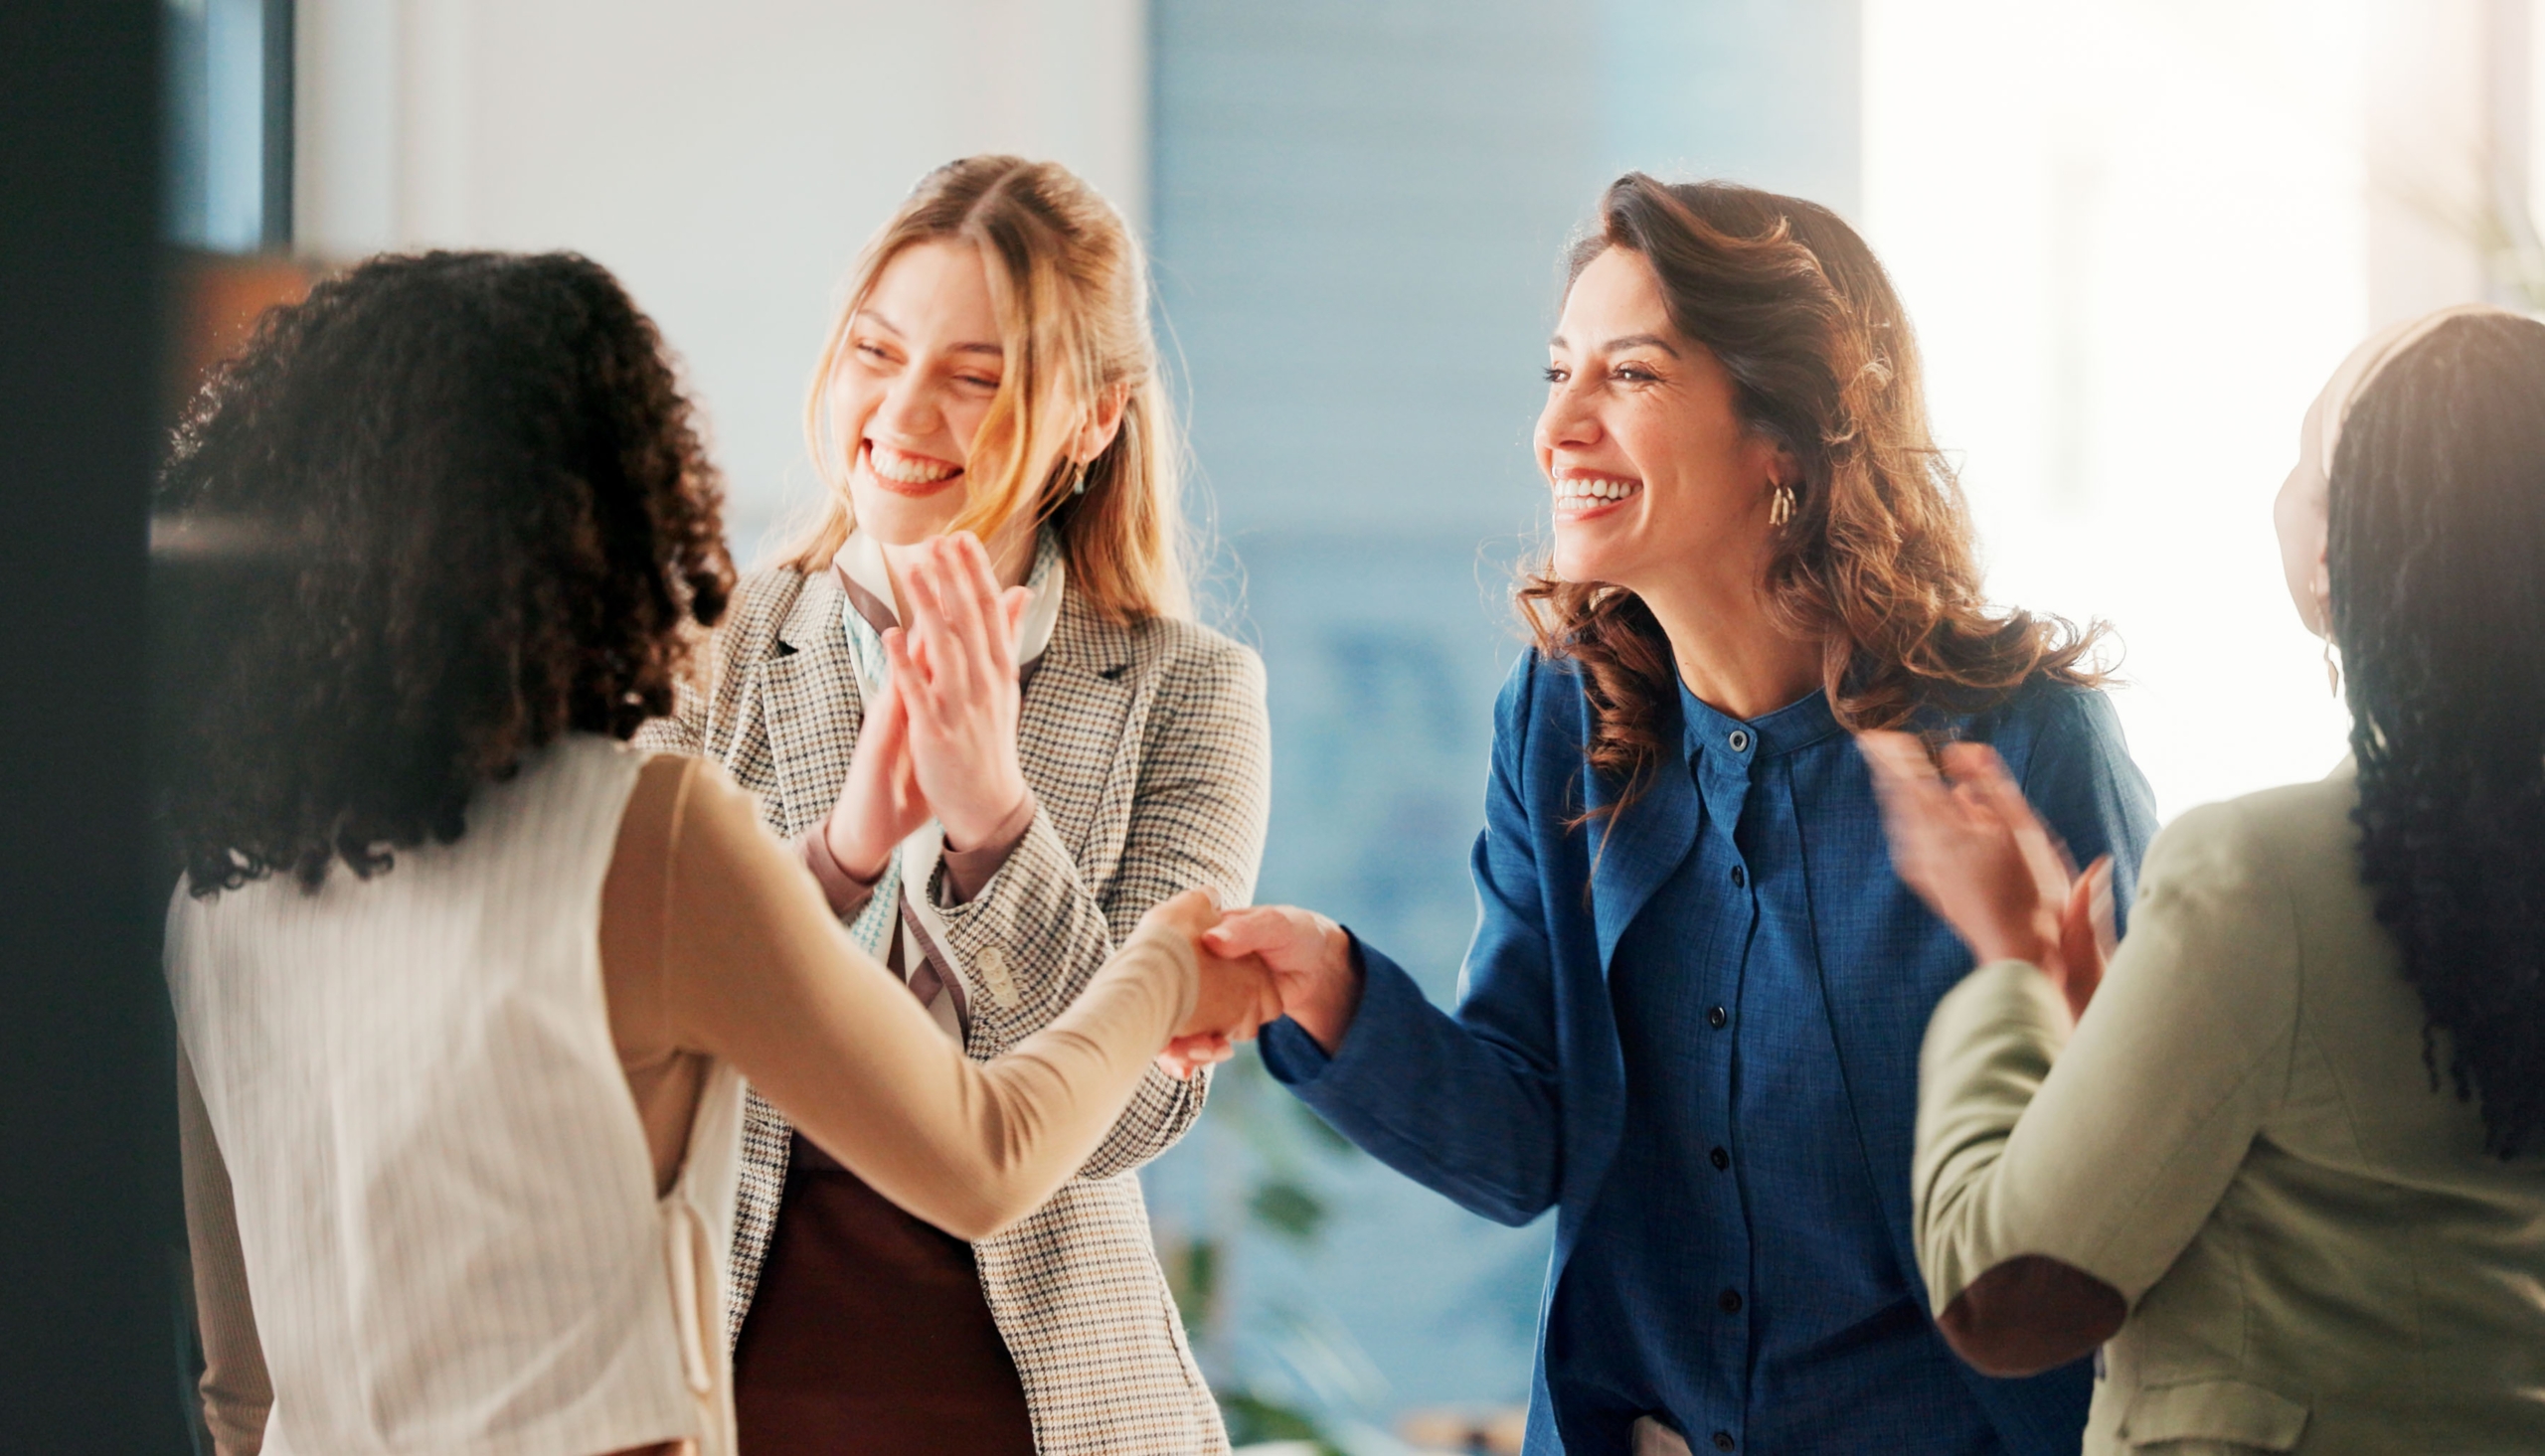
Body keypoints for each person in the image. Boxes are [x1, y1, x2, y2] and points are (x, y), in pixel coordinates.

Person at [156, 249, 1277, 1456]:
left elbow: (240, 1385)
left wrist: (845, 854)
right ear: (607, 512)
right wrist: (1163, 966)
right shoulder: (641, 830)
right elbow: (990, 1154)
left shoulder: (212, 897)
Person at [1193, 175, 2157, 1456]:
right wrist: (1331, 996)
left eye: (1629, 376)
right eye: (1557, 373)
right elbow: (1524, 1143)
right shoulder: (1557, 723)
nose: (1558, 429)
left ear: (1786, 439)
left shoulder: (2022, 742)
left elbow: (2133, 1172)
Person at [634, 155, 1270, 1454]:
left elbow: (1138, 1115)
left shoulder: (1191, 692)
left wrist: (995, 833)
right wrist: (847, 852)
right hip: (725, 1392)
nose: (904, 410)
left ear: (1095, 421)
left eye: (977, 377)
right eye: (878, 348)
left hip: (1053, 1414)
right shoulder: (710, 643)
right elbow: (636, 1033)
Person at [1863, 304, 2545, 1453]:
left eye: (2316, 457)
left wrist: (2012, 970)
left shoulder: (2260, 876)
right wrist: (2106, 1033)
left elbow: (2007, 1292)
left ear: (2340, 559)